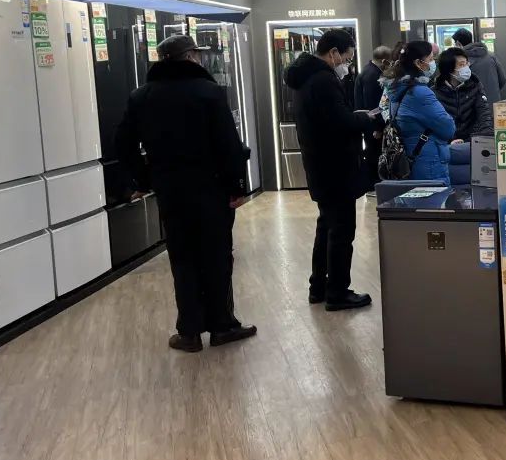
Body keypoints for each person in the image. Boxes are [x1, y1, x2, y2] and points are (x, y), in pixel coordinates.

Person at [115, 34, 254, 352]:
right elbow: (227, 143)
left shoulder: (142, 96)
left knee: (182, 257)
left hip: (170, 191)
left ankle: (189, 332)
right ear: (190, 57)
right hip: (211, 188)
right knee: (217, 255)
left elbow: (122, 144)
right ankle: (223, 326)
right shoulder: (208, 91)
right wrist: (236, 186)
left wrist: (144, 179)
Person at [285, 29, 381, 311]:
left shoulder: (304, 79)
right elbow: (340, 123)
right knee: (341, 232)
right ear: (334, 53)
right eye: (347, 58)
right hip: (336, 167)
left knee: (326, 227)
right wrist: (365, 119)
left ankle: (319, 287)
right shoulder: (324, 80)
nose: (347, 64)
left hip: (319, 165)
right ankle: (338, 292)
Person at [388, 40, 456, 184]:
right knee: (433, 197)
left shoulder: (397, 88)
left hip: (410, 157)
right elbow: (448, 128)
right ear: (418, 63)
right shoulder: (420, 93)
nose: (433, 63)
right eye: (430, 59)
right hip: (428, 160)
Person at [432, 47, 494, 143]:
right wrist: (449, 141)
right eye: (461, 65)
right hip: (446, 143)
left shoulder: (475, 85)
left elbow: (484, 112)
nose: (466, 68)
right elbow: (435, 122)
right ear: (449, 69)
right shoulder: (435, 91)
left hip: (471, 141)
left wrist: (483, 137)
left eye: (466, 63)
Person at [355, 45, 391, 187]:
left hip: (366, 121)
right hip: (372, 124)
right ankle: (374, 184)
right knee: (374, 154)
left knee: (372, 152)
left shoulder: (366, 71)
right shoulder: (373, 76)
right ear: (384, 60)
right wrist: (378, 127)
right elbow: (373, 104)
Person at [451, 28, 506, 106]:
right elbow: (503, 79)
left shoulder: (460, 62)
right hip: (494, 103)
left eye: (455, 43)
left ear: (458, 43)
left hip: (473, 106)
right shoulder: (491, 56)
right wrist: (493, 91)